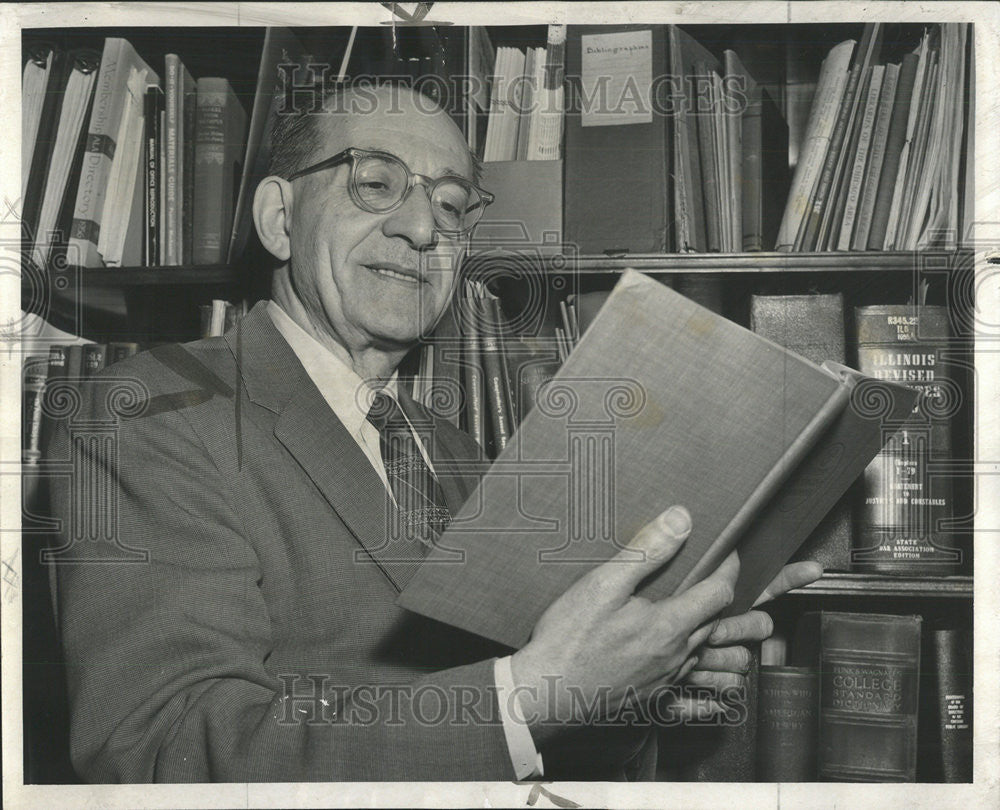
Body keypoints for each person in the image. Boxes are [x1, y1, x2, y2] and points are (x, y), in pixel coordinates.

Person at [49, 84, 821, 782]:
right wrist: (538, 693)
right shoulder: (151, 411)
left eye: (452, 205)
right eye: (375, 183)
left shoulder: (452, 450)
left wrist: (633, 682)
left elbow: (524, 729)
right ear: (280, 220)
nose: (424, 228)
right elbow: (159, 751)